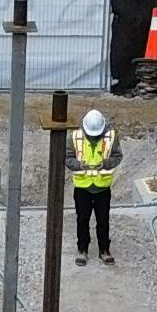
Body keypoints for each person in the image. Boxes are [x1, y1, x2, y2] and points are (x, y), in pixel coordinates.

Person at [70, 108, 119, 262]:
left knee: (103, 220)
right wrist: (79, 165)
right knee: (82, 219)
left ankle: (104, 250)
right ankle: (82, 249)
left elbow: (118, 156)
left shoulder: (111, 137)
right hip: (82, 186)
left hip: (102, 187)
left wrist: (105, 163)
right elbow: (67, 158)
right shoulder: (75, 137)